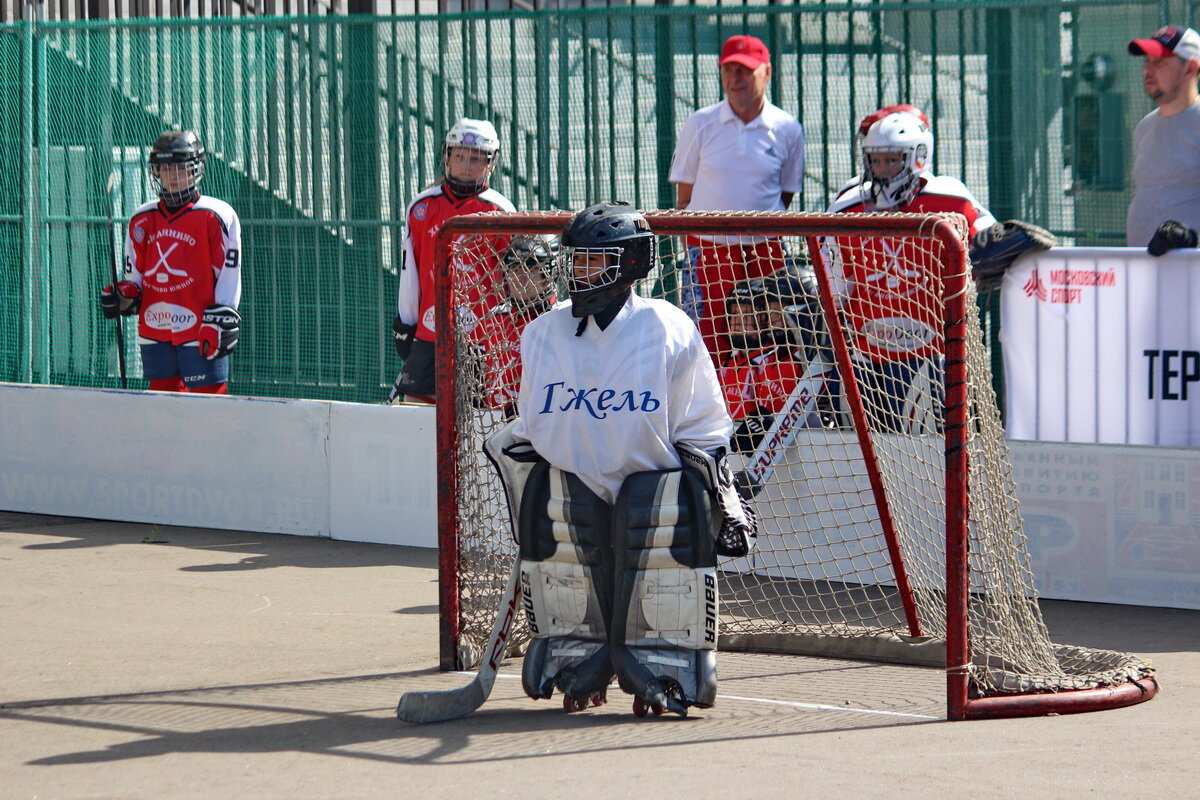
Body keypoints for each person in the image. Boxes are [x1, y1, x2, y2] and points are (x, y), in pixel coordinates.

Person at [496, 201, 755, 717]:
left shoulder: (667, 326)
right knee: (570, 574)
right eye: (576, 260)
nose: (580, 272)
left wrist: (719, 494)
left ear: (632, 262)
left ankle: (663, 666)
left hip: (653, 491)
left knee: (655, 563)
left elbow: (702, 422)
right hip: (571, 486)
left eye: (595, 260)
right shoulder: (541, 331)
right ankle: (578, 658)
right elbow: (530, 421)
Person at [667, 34, 805, 362]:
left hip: (765, 245)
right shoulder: (700, 123)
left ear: (767, 73)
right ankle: (713, 405)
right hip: (711, 244)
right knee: (710, 333)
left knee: (773, 330)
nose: (735, 78)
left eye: (744, 70)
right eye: (728, 70)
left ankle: (769, 401)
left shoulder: (787, 128)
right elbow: (683, 197)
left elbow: (786, 193)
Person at [99, 130, 242, 394]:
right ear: (156, 172)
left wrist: (221, 318)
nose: (172, 176)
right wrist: (124, 295)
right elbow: (135, 277)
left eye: (181, 168)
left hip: (201, 326)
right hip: (155, 325)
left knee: (209, 408)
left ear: (196, 169)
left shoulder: (217, 214)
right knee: (162, 408)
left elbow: (228, 274)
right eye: (165, 169)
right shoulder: (141, 217)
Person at [390, 117, 515, 404]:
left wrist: (505, 334)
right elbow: (411, 272)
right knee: (414, 412)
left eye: (476, 158)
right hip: (430, 333)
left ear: (491, 163)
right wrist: (406, 322)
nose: (466, 165)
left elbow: (510, 281)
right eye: (459, 156)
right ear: (447, 156)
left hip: (482, 340)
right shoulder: (422, 205)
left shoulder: (501, 211)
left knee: (476, 420)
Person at [1126, 26, 1200, 254]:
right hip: (1143, 274)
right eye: (1147, 62)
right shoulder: (1144, 127)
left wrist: (1191, 239)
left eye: (1159, 62)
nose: (1148, 70)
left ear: (1191, 67)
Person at [468, 235, 557, 416]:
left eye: (530, 270)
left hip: (541, 421)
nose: (519, 278)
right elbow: (474, 374)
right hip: (491, 420)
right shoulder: (495, 317)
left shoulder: (560, 321)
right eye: (514, 269)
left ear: (548, 276)